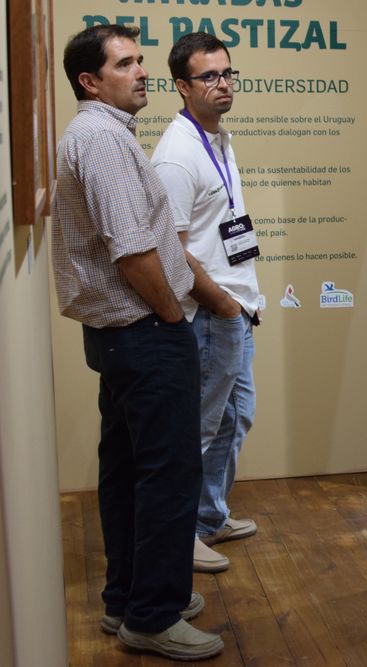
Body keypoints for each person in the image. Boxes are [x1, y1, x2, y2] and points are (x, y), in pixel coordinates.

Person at [52, 25, 223, 660]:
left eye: (141, 60)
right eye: (125, 64)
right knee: (168, 474)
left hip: (125, 335)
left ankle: (131, 599)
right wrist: (174, 321)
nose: (141, 71)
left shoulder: (99, 134)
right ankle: (152, 615)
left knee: (128, 469)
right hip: (146, 331)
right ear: (90, 81)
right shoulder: (100, 140)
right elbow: (134, 250)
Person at [152, 32, 261, 574]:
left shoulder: (217, 138)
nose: (223, 84)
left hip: (233, 309)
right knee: (198, 427)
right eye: (209, 76)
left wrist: (240, 302)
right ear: (182, 86)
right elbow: (170, 249)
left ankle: (210, 516)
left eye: (227, 73)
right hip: (210, 315)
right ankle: (184, 533)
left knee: (234, 418)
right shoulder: (177, 154)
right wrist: (220, 303)